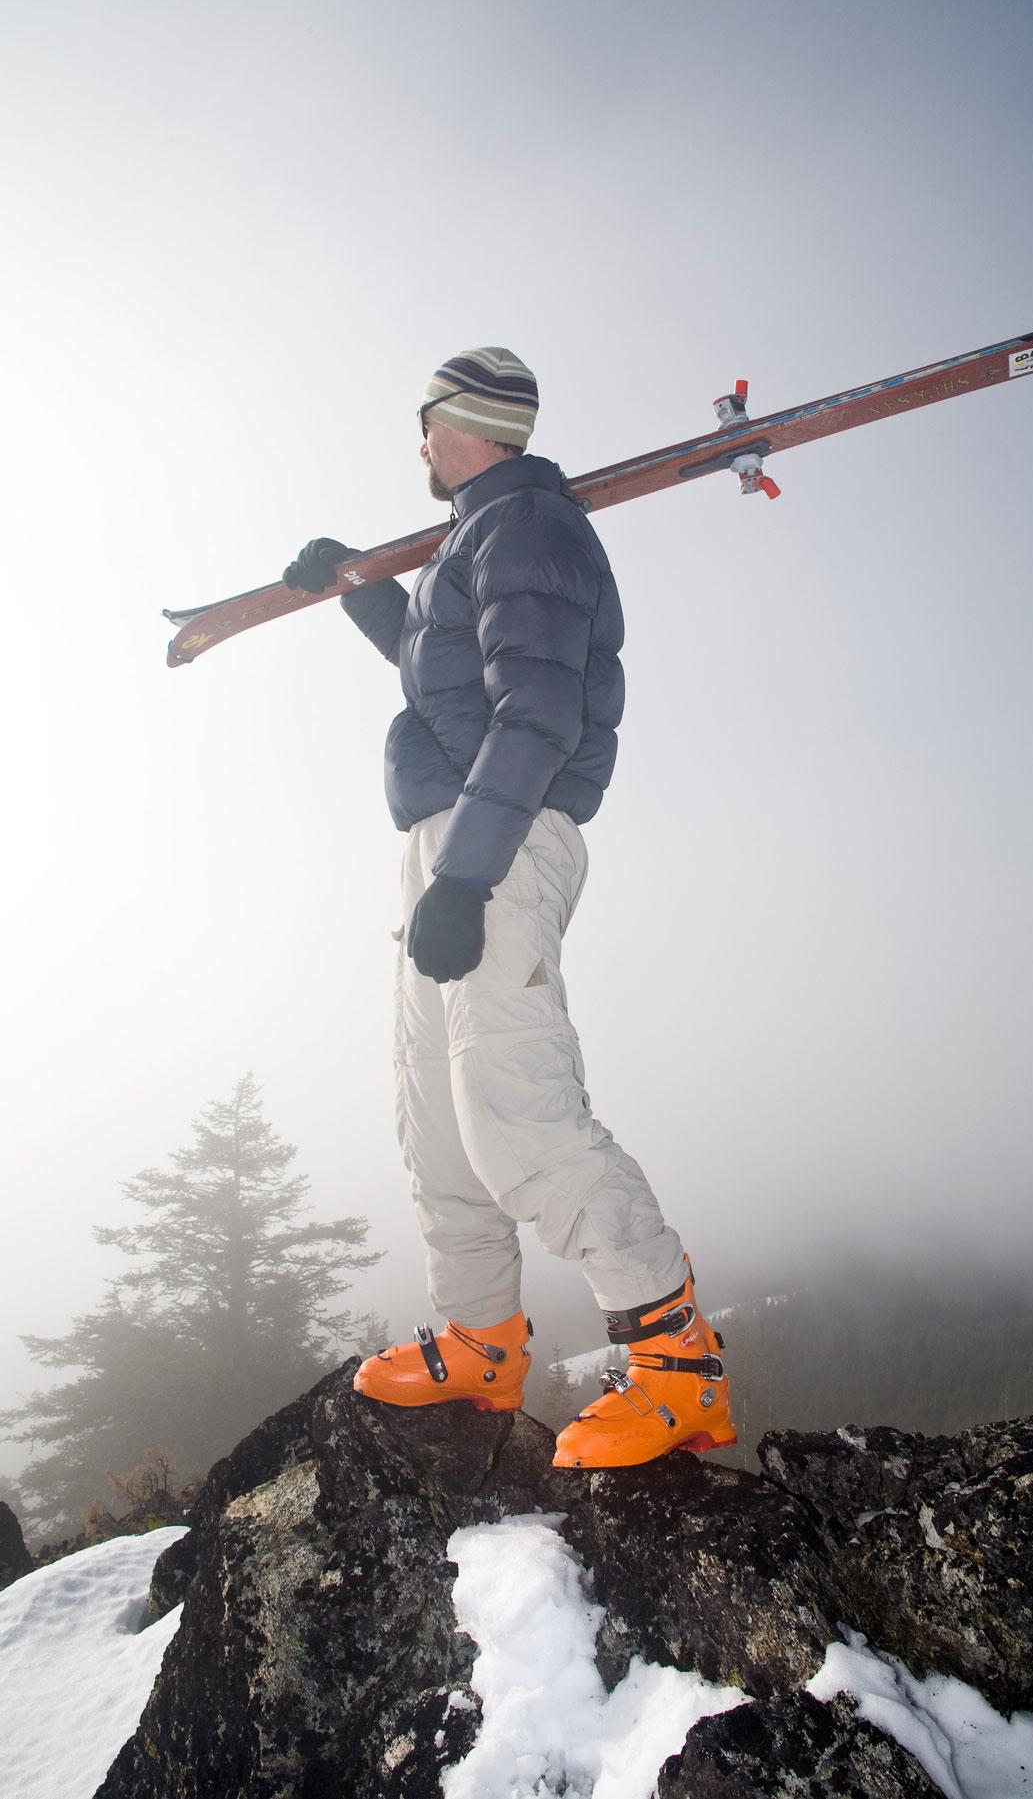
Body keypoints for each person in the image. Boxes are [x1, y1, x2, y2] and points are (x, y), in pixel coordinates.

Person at [284, 347, 733, 1468]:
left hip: (504, 834)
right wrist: (359, 587)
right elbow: (441, 670)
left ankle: (676, 1362)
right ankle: (482, 1340)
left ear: (463, 425)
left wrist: (470, 876)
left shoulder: (526, 528)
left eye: (426, 424)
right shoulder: (476, 539)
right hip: (450, 838)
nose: (418, 444)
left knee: (514, 1106)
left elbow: (531, 714)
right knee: (435, 1115)